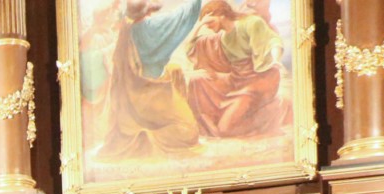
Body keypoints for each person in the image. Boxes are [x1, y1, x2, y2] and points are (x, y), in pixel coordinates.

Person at [96, 0, 203, 161]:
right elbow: (183, 16)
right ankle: (147, 136)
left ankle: (142, 132)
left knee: (174, 70)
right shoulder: (151, 27)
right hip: (152, 93)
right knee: (187, 131)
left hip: (134, 94)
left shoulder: (127, 27)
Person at [184, 0, 289, 140]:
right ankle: (209, 122)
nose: (207, 26)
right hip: (236, 80)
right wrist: (199, 25)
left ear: (221, 15)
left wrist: (275, 59)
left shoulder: (250, 23)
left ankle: (270, 115)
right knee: (197, 79)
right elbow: (191, 48)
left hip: (258, 81)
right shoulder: (221, 38)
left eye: (209, 21)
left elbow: (273, 42)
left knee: (225, 129)